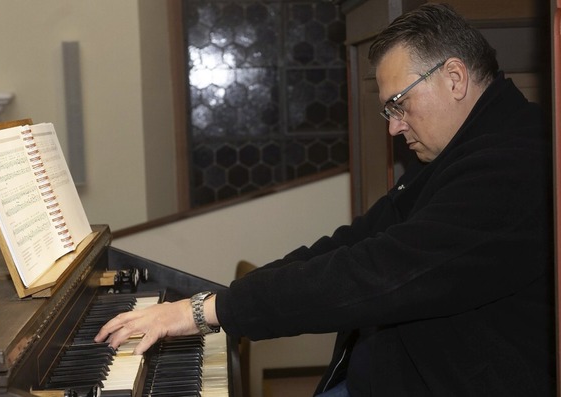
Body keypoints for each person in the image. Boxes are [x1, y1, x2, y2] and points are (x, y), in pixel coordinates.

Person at [95, 3, 555, 396]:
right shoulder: (464, 149)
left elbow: (375, 274)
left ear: (454, 78)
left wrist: (207, 313)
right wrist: (215, 305)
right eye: (388, 110)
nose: (393, 126)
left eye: (399, 103)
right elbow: (351, 244)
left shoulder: (515, 163)